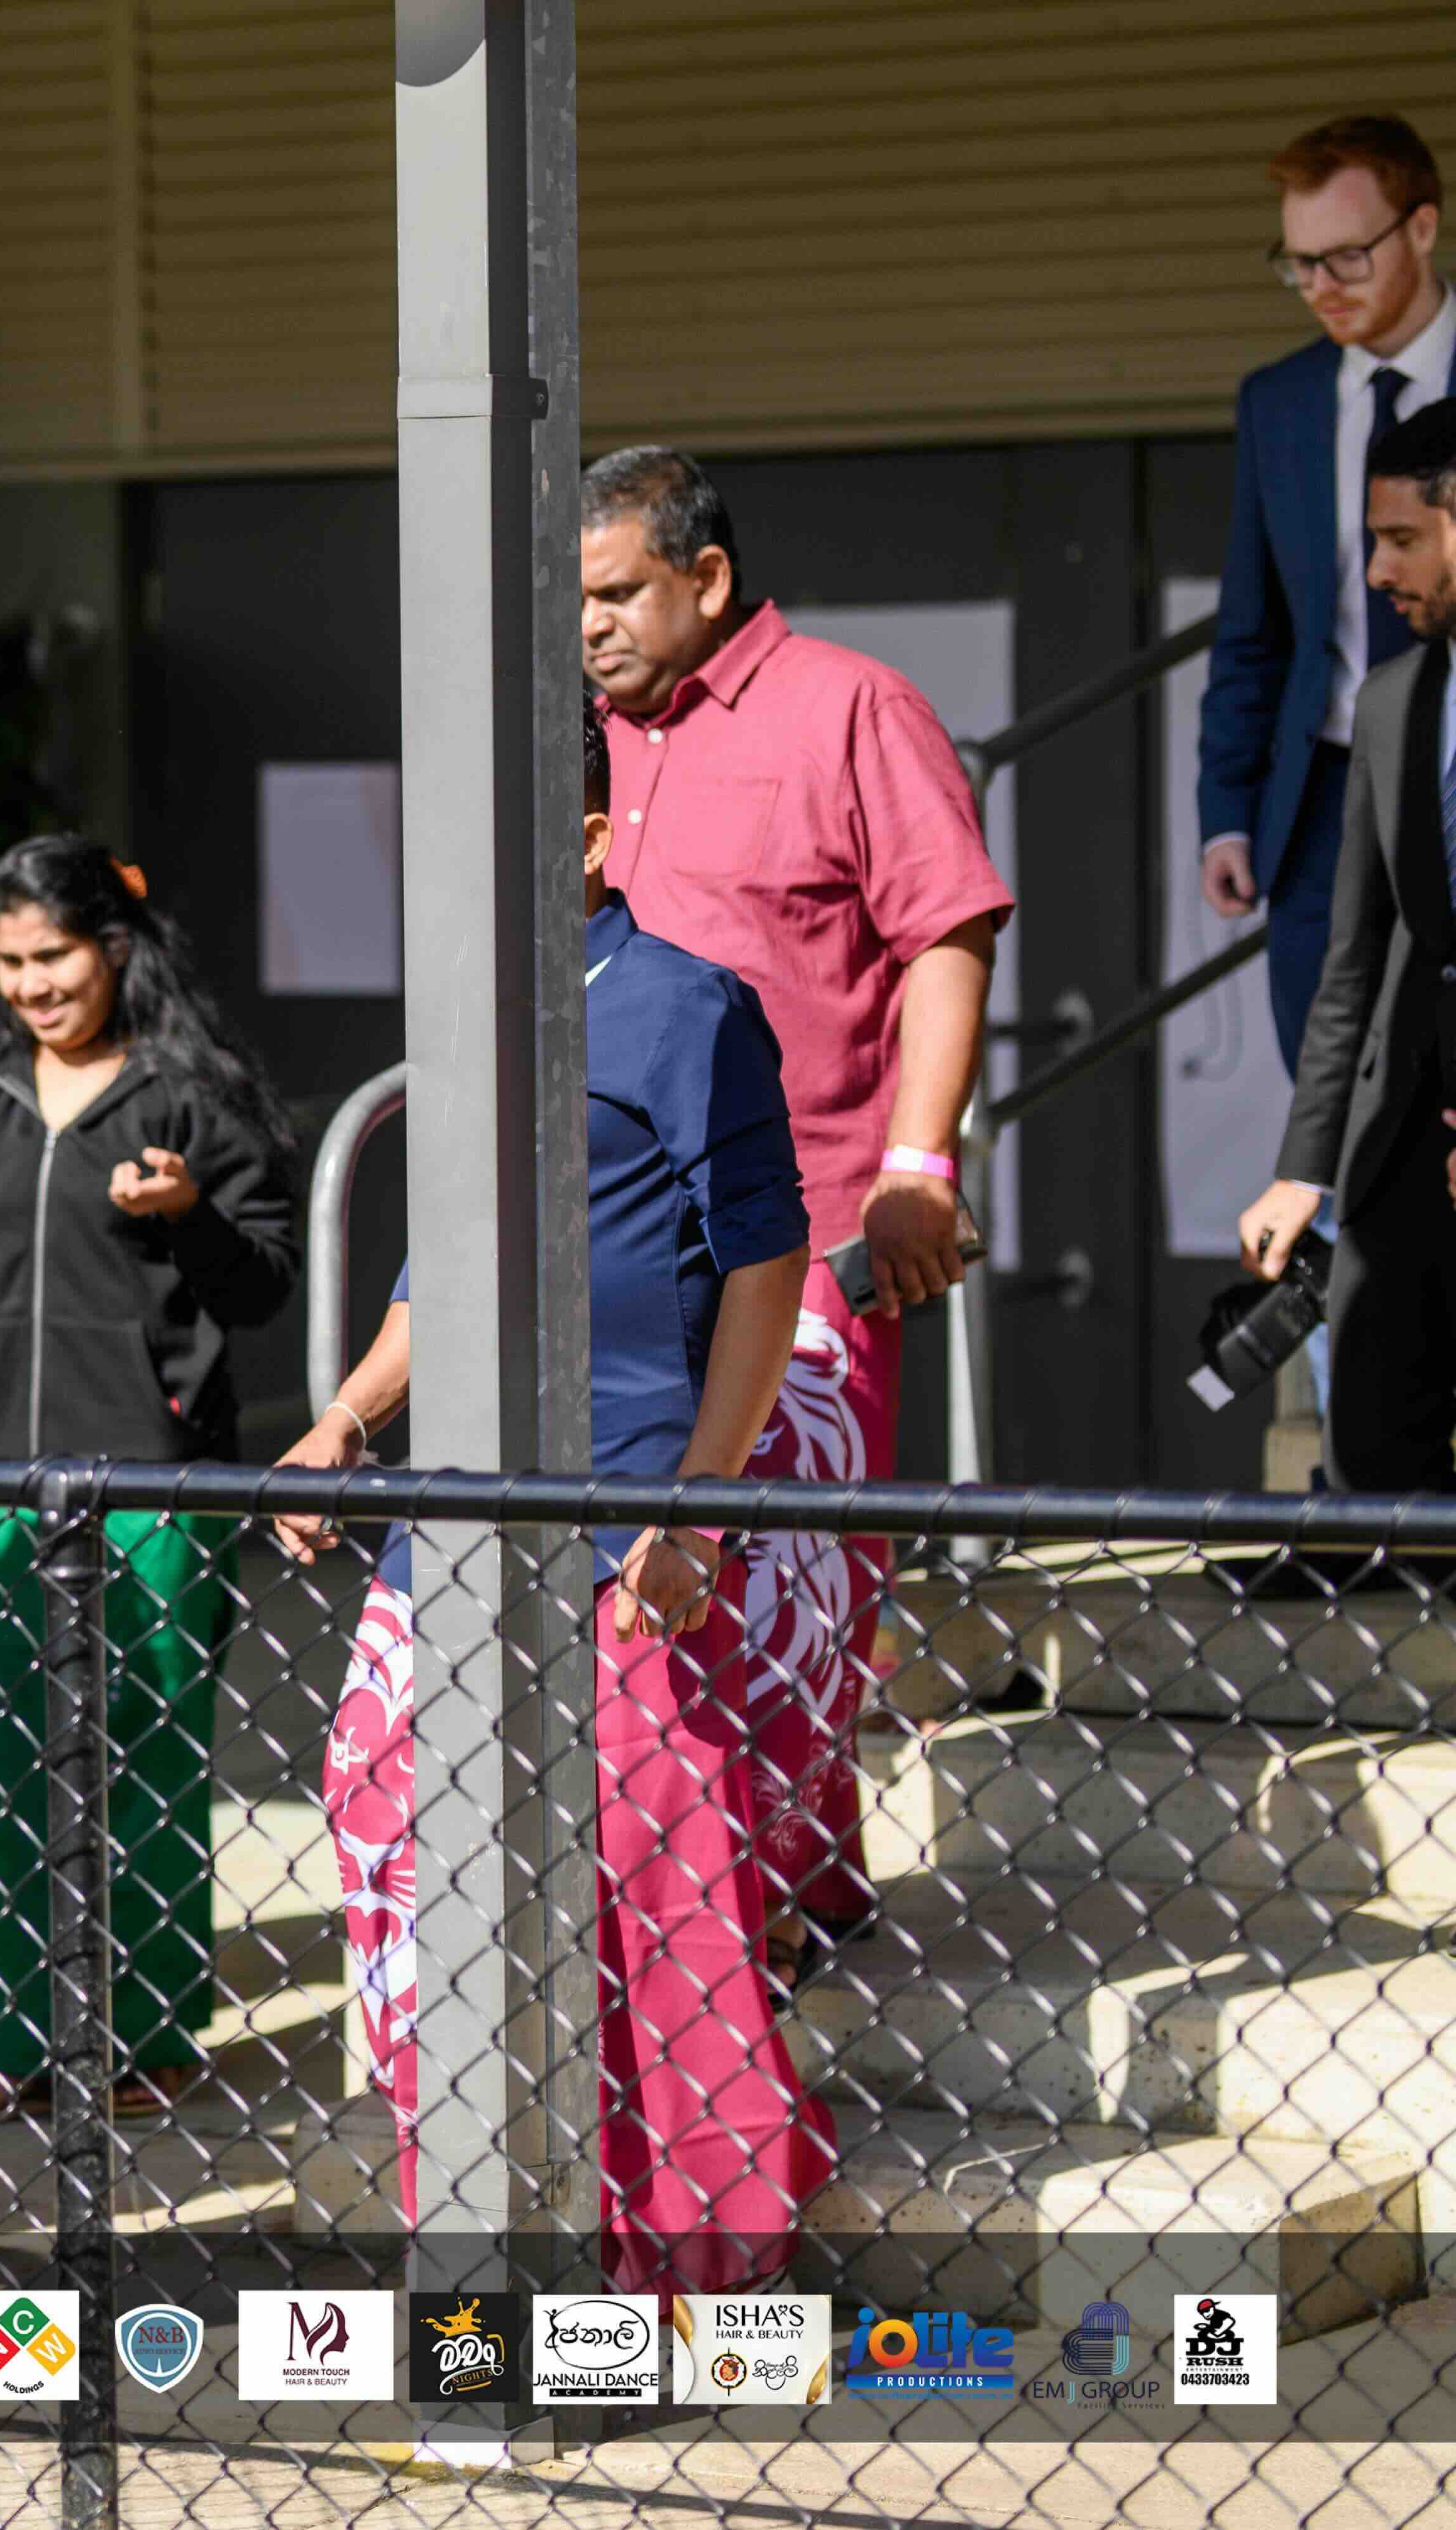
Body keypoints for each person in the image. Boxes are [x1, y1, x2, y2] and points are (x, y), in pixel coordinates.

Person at [276, 701, 831, 2291]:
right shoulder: (464, 1015)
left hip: (619, 1532)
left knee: (656, 1895)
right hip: (445, 1532)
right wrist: (342, 1419)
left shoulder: (688, 1006)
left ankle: (707, 2278)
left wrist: (701, 1510)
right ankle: (491, 2261)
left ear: (590, 838)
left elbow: (767, 1259)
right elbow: (433, 1277)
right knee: (391, 1826)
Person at [580, 443, 1010, 1965]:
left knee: (800, 1573)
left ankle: (782, 1877)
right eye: (574, 600)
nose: (592, 627)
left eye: (618, 591)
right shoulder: (578, 739)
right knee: (644, 1574)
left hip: (812, 1225)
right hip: (622, 1249)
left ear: (706, 576)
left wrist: (921, 1165)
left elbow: (947, 934)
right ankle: (719, 1872)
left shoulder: (850, 705)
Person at [0, 839, 297, 2132]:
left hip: (150, 1475)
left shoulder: (188, 1096)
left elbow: (260, 1281)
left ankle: (151, 2032)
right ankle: (7, 2037)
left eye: (56, 954)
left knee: (146, 1754)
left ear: (115, 947)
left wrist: (187, 1212)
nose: (35, 984)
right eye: (13, 961)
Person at [1200, 116, 1451, 1069]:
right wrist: (1227, 810)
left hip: (1452, 771)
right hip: (1319, 803)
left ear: (1421, 228)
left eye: (1345, 256)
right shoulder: (1280, 401)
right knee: (1329, 1090)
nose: (1320, 288)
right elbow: (1250, 628)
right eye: (1298, 264)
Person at [1240, 400, 1456, 1490]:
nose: (1374, 572)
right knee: (1375, 1452)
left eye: (1401, 538)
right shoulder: (1386, 704)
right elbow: (1352, 957)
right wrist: (1301, 1167)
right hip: (1401, 1128)